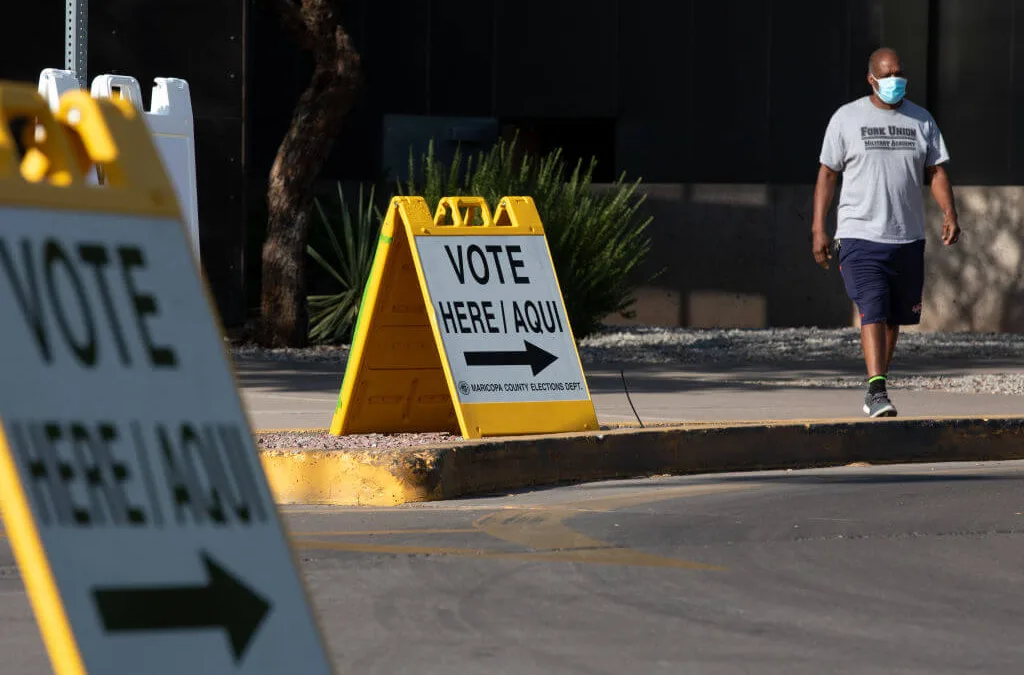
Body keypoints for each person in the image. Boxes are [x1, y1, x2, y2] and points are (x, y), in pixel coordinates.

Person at [811, 47, 961, 418]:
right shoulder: (847, 118)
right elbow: (827, 174)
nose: (896, 80)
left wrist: (949, 211)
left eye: (899, 73)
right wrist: (819, 227)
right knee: (873, 307)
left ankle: (875, 387)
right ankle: (878, 389)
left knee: (894, 318)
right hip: (860, 234)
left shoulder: (921, 120)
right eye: (887, 74)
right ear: (871, 79)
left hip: (906, 236)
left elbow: (936, 171)